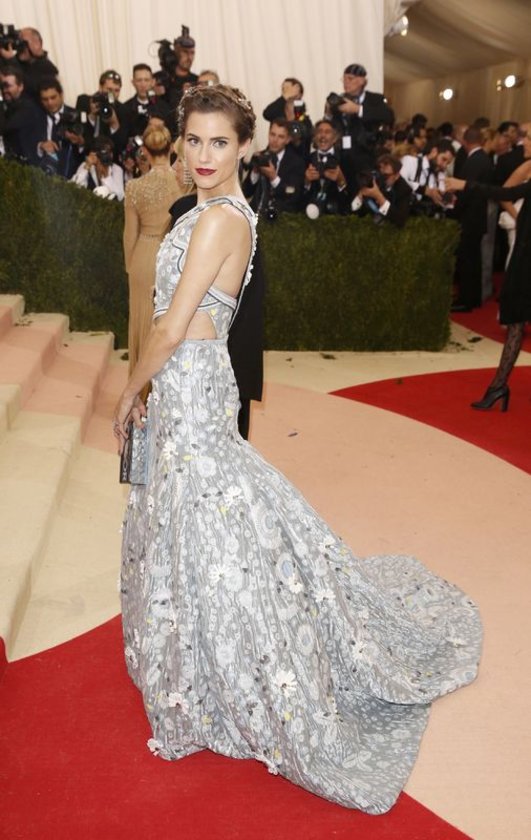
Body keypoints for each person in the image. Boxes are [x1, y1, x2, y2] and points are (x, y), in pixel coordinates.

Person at [113, 84, 481, 816]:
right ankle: (199, 653)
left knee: (208, 514)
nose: (204, 155)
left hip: (189, 378)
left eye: (220, 142)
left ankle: (229, 660)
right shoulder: (212, 212)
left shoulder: (219, 221)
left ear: (244, 146)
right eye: (194, 140)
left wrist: (129, 391)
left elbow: (173, 325)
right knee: (199, 515)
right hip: (191, 381)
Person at [447, 128, 531, 411]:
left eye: (529, 140)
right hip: (523, 258)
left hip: (526, 261)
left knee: (516, 322)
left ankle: (498, 387)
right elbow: (505, 193)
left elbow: (503, 192)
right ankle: (498, 386)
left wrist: (464, 185)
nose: (524, 143)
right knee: (516, 322)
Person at [123, 125, 186, 382]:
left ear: (145, 152)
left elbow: (129, 234)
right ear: (171, 148)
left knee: (142, 323)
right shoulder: (183, 182)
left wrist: (130, 267)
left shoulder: (134, 187)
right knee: (170, 323)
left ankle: (140, 388)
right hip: (175, 256)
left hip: (143, 255)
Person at [243, 117, 305, 214]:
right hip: (255, 214)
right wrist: (255, 172)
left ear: (288, 140)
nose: (275, 140)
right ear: (268, 134)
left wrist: (274, 178)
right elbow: (246, 192)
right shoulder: (260, 156)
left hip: (281, 217)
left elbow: (293, 196)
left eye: (281, 137)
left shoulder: (296, 162)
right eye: (272, 134)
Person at [36, 78, 85, 178]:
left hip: (73, 177)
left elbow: (88, 147)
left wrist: (80, 142)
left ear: (61, 95)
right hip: (44, 178)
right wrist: (41, 146)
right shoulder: (37, 119)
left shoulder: (77, 116)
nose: (50, 103)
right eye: (45, 99)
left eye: (53, 97)